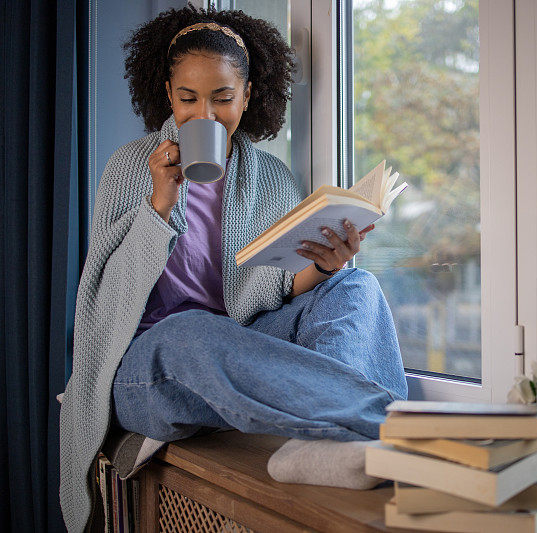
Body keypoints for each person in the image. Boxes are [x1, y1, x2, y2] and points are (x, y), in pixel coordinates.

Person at [58, 5, 407, 532]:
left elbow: (276, 289)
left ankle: (333, 446)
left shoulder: (268, 177)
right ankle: (394, 428)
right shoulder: (130, 167)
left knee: (356, 285)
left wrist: (325, 267)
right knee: (193, 329)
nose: (205, 115)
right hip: (149, 368)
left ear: (247, 96)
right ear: (167, 94)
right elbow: (105, 305)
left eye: (222, 98)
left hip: (239, 351)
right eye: (188, 98)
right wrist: (160, 204)